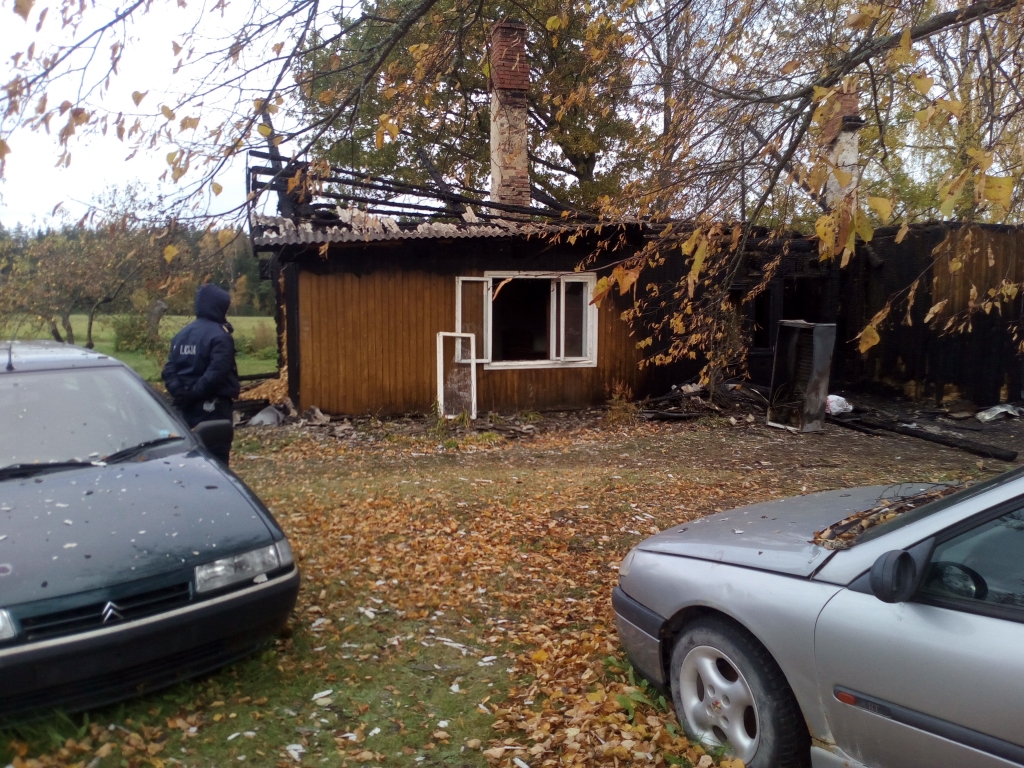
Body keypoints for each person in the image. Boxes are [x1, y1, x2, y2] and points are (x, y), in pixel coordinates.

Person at [162, 284, 240, 464]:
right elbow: (217, 372)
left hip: (184, 408)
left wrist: (179, 393)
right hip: (213, 408)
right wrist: (194, 394)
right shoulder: (220, 337)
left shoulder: (181, 335)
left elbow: (169, 368)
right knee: (215, 458)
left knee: (187, 455)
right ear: (218, 307)